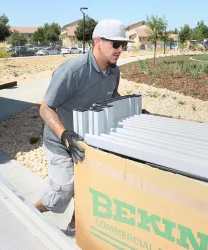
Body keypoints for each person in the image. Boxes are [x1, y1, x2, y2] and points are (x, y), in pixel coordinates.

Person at [34, 19, 134, 236]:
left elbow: (110, 95)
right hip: (60, 140)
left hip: (87, 139)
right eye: (115, 44)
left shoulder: (113, 72)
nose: (120, 50)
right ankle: (32, 210)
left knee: (90, 186)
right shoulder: (73, 71)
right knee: (63, 190)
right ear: (97, 41)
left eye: (123, 45)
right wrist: (65, 136)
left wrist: (131, 107)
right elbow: (45, 108)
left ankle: (74, 225)